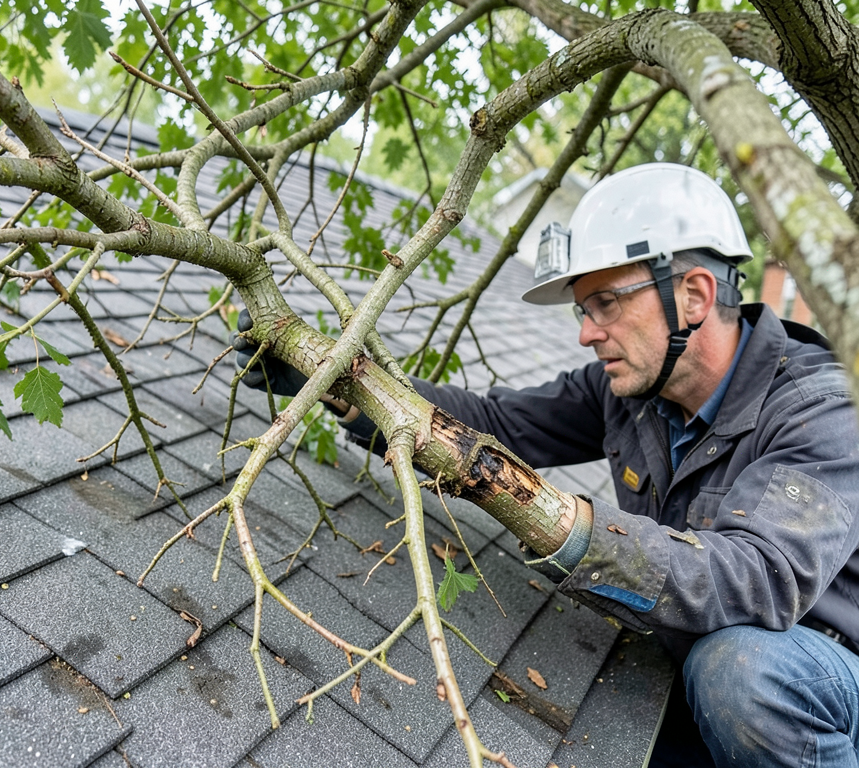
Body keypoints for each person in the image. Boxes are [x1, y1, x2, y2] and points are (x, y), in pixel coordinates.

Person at [233, 163, 859, 767]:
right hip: (695, 675)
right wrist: (346, 382)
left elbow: (761, 579)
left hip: (819, 684)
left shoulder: (824, 410)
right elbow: (496, 423)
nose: (587, 334)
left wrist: (570, 528)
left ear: (692, 294)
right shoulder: (635, 394)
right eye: (582, 310)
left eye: (607, 304)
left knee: (743, 669)